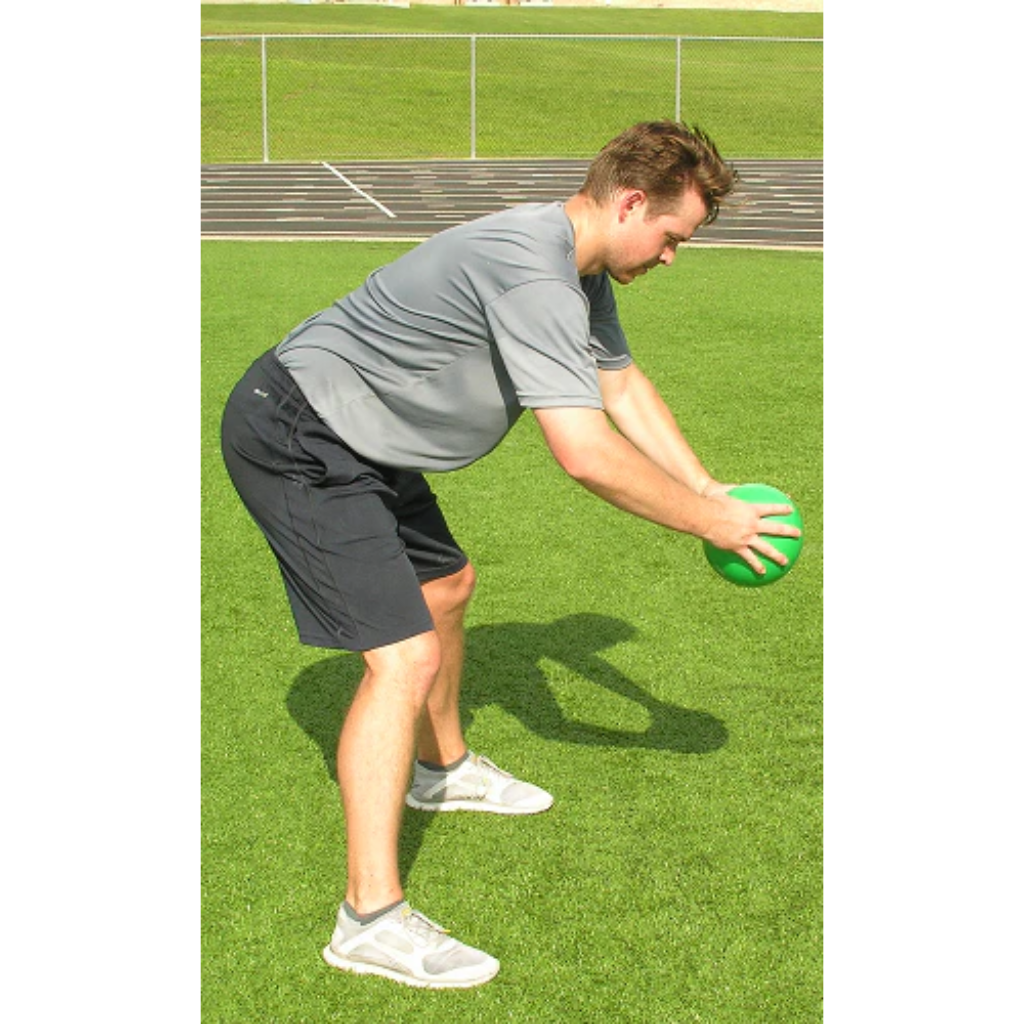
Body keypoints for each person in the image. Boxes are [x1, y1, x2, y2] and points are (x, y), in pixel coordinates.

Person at [219, 120, 801, 990]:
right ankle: (367, 920)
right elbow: (585, 452)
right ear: (632, 201)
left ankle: (441, 769)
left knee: (446, 586)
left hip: (365, 434)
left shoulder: (581, 266)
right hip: (300, 429)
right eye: (673, 237)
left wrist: (709, 488)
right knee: (402, 657)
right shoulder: (533, 269)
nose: (674, 256)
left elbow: (621, 386)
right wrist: (709, 525)